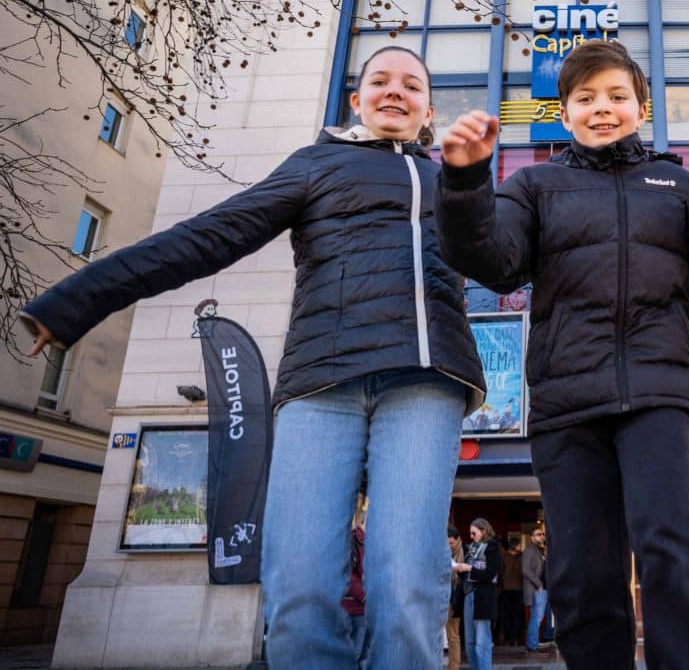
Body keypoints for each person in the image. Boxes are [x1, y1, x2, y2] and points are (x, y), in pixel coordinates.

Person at [19, 45, 487, 670]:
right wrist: (79, 298)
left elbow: (506, 255)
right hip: (322, 386)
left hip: (424, 384)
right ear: (357, 100)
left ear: (429, 108)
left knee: (405, 586)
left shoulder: (450, 180)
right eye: (380, 81)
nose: (395, 92)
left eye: (411, 85)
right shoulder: (316, 165)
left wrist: (470, 179)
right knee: (297, 589)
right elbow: (209, 235)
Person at [435, 39, 689, 669]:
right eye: (585, 98)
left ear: (641, 106)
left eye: (616, 96)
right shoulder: (533, 184)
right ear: (565, 111)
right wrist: (469, 180)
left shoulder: (677, 183)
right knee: (583, 568)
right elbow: (494, 265)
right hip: (567, 399)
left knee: (667, 544)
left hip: (659, 390)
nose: (601, 109)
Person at [454, 517, 501, 670]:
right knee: (469, 642)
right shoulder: (472, 548)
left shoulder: (492, 548)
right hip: (469, 595)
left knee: (482, 642)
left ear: (483, 531)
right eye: (470, 534)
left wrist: (468, 569)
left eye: (474, 533)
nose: (471, 537)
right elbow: (467, 574)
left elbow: (490, 574)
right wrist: (461, 569)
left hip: (483, 597)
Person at [342, 502, 371, 667]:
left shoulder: (375, 544)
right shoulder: (352, 539)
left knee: (364, 655)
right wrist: (364, 594)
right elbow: (346, 572)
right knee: (354, 655)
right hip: (353, 609)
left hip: (368, 610)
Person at [521, 525, 548, 653]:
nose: (541, 536)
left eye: (542, 534)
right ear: (531, 538)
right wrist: (539, 584)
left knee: (537, 617)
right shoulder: (528, 551)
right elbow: (526, 570)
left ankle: (533, 643)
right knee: (535, 617)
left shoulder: (541, 551)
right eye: (538, 534)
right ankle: (532, 645)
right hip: (535, 589)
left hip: (541, 589)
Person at [497, 537, 525, 645]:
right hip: (507, 589)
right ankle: (509, 637)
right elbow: (500, 572)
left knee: (515, 615)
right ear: (514, 545)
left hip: (517, 589)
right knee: (508, 615)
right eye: (519, 544)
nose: (520, 547)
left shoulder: (521, 556)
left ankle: (515, 637)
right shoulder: (505, 556)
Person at [446, 527, 464, 670]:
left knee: (453, 636)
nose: (449, 547)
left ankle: (454, 667)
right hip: (443, 598)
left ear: (458, 540)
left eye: (451, 543)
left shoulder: (466, 554)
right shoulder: (445, 553)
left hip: (456, 600)